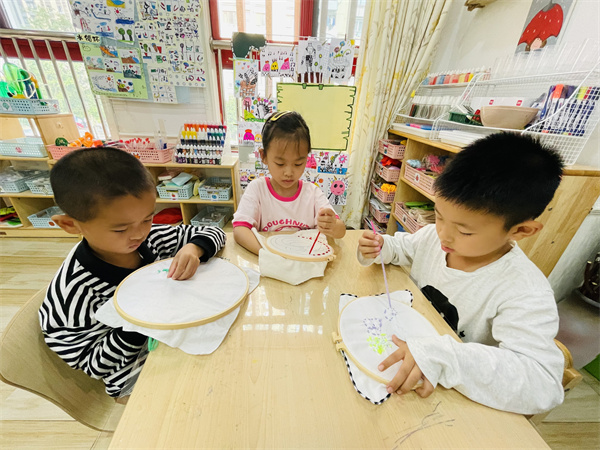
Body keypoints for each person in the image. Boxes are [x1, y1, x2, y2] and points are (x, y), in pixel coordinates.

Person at [357, 133, 565, 414]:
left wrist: (443, 356)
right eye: (439, 215)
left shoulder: (525, 291)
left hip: (450, 400)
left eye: (465, 231)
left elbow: (543, 384)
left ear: (521, 230)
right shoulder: (433, 237)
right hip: (407, 359)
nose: (444, 234)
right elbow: (403, 248)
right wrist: (382, 246)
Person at [39, 148, 226, 397]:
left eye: (147, 219)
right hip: (138, 378)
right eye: (120, 229)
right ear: (70, 225)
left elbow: (213, 231)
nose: (139, 234)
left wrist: (194, 248)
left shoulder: (151, 239)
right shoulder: (72, 294)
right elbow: (91, 364)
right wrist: (137, 322)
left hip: (177, 337)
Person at [233, 111, 346, 254]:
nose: (289, 172)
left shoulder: (312, 193)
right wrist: (268, 254)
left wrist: (332, 225)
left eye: (298, 164)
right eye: (280, 164)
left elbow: (341, 231)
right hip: (269, 259)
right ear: (264, 156)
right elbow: (240, 230)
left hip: (304, 259)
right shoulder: (257, 189)